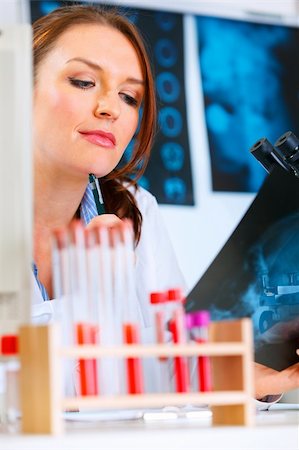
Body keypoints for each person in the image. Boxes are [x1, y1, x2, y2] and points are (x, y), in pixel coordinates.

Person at [30, 4, 298, 403]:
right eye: (83, 81)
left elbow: (173, 359)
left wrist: (240, 375)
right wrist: (86, 292)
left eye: (129, 96)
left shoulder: (136, 211)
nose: (110, 108)